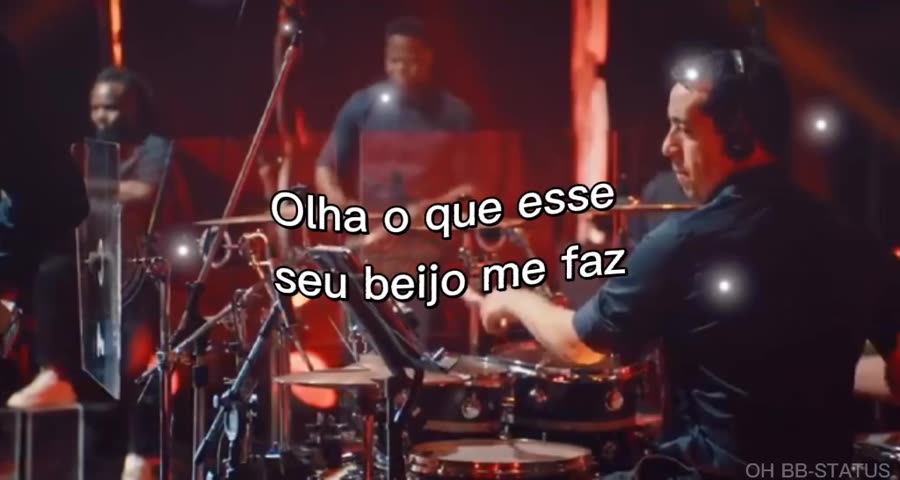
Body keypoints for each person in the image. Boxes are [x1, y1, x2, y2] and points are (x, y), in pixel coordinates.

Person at [464, 47, 900, 479]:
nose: (667, 146)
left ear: (738, 136)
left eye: (683, 129)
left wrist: (513, 299)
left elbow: (580, 346)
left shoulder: (685, 242)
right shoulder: (856, 241)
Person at [6, 66, 187, 480]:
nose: (102, 116)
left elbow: (144, 192)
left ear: (136, 108)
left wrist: (82, 188)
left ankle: (142, 454)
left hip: (149, 268)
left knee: (138, 363)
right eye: (96, 108)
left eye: (112, 107)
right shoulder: (87, 151)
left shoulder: (155, 148)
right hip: (98, 266)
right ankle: (55, 374)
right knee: (52, 272)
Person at [311, 16, 476, 346]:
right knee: (361, 345)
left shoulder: (456, 114)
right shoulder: (362, 106)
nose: (402, 69)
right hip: (370, 241)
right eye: (394, 60)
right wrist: (343, 206)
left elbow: (471, 188)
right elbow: (325, 169)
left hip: (424, 244)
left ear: (428, 57)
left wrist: (419, 213)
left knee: (412, 345)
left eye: (411, 60)